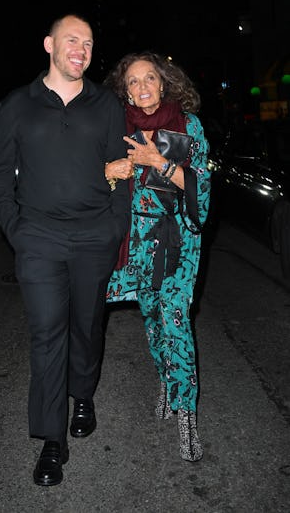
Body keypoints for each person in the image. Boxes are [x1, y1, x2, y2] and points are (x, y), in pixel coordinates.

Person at [0, 13, 131, 486]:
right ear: (49, 43)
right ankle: (53, 441)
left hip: (94, 236)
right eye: (72, 40)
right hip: (40, 239)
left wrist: (115, 226)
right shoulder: (17, 105)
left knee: (87, 326)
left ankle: (83, 392)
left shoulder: (106, 105)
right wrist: (16, 229)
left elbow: (121, 167)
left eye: (89, 43)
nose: (81, 49)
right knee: (48, 333)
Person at [104, 51, 211, 462]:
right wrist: (108, 172)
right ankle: (166, 377)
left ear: (163, 83)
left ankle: (187, 418)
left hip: (180, 240)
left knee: (176, 319)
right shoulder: (117, 129)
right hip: (138, 239)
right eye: (133, 81)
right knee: (151, 316)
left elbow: (202, 189)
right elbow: (101, 184)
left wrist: (158, 162)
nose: (143, 86)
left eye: (150, 78)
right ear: (125, 90)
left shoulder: (189, 125)